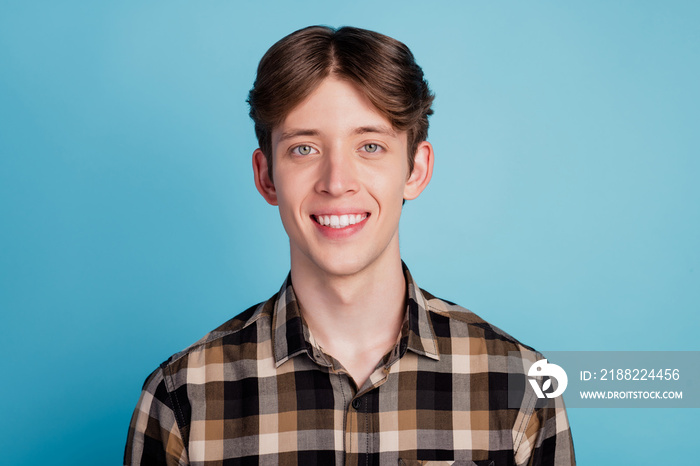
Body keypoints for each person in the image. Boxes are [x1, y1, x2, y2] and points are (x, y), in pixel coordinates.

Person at [124, 25, 575, 465]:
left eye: (370, 146)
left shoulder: (523, 386)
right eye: (304, 149)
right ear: (266, 177)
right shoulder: (181, 398)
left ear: (415, 169)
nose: (337, 183)